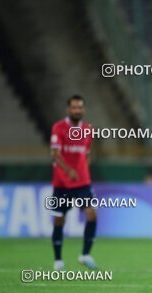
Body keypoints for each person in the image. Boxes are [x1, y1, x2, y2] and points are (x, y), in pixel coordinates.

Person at [49, 94, 98, 270]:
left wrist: (84, 168)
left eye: (80, 107)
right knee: (59, 220)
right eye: (74, 107)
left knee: (92, 214)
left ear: (83, 109)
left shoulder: (88, 130)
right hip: (62, 184)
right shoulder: (59, 128)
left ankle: (85, 255)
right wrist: (68, 170)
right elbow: (55, 154)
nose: (77, 110)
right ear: (68, 109)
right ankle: (58, 260)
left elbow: (87, 153)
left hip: (83, 183)